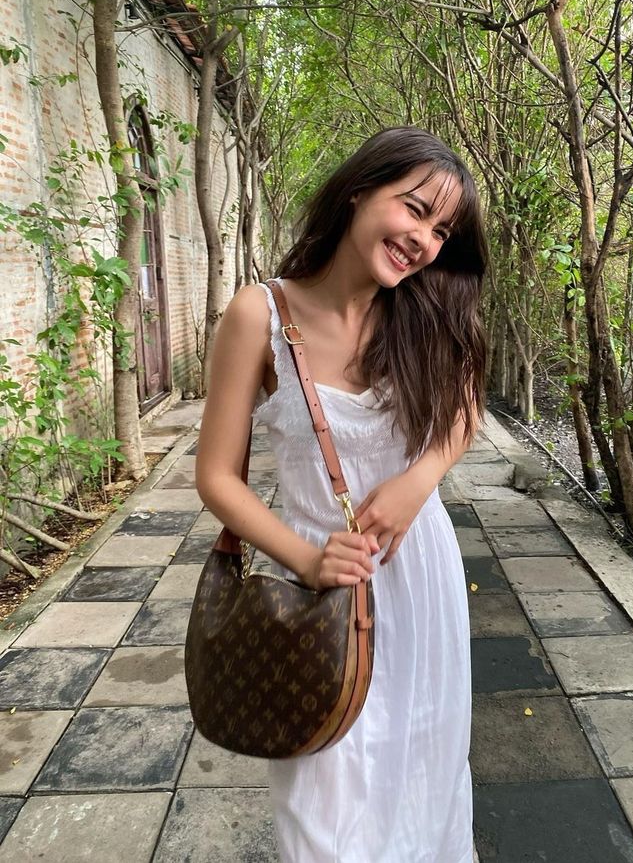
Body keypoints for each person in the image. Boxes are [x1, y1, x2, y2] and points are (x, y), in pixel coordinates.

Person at [195, 126, 488, 862]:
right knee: (323, 813)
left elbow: (464, 412)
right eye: (414, 209)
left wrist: (418, 483)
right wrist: (306, 557)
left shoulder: (425, 312)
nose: (423, 239)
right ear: (361, 188)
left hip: (420, 579)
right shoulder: (258, 315)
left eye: (441, 229)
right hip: (318, 591)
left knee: (423, 780)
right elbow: (216, 475)